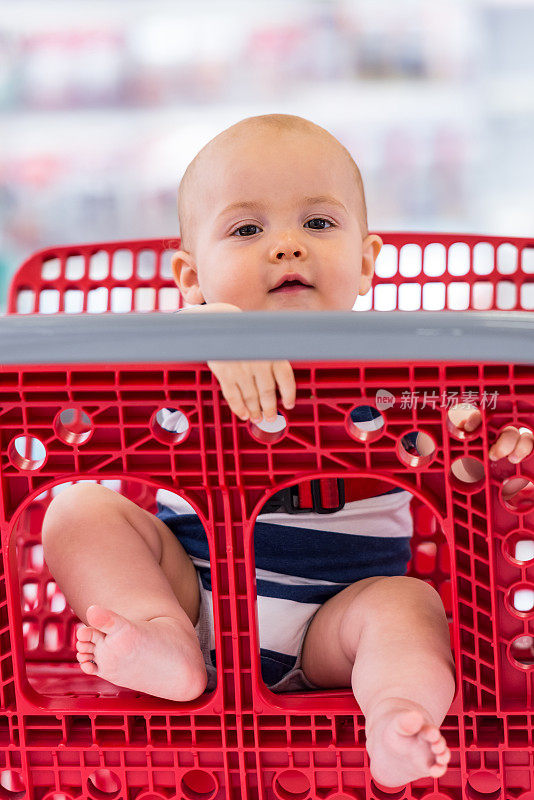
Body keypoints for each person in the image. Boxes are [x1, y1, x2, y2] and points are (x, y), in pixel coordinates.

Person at [42, 114, 533, 788]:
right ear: (190, 278)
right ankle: (161, 642)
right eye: (247, 230)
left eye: (319, 224)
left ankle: (397, 713)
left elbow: (464, 478)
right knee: (78, 509)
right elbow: (106, 401)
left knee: (407, 607)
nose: (286, 247)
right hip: (192, 595)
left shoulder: (402, 377)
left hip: (337, 625)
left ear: (365, 264)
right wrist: (209, 332)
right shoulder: (185, 352)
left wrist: (492, 456)